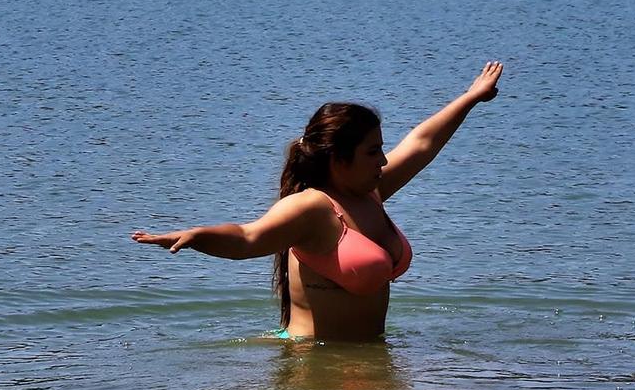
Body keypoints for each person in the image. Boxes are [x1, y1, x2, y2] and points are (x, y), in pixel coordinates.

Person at [132, 61, 504, 342]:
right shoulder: (311, 208)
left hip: (365, 360)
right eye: (373, 151)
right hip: (310, 366)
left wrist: (471, 97)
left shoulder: (370, 193)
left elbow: (422, 143)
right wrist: (198, 236)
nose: (385, 160)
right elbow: (248, 238)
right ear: (339, 159)